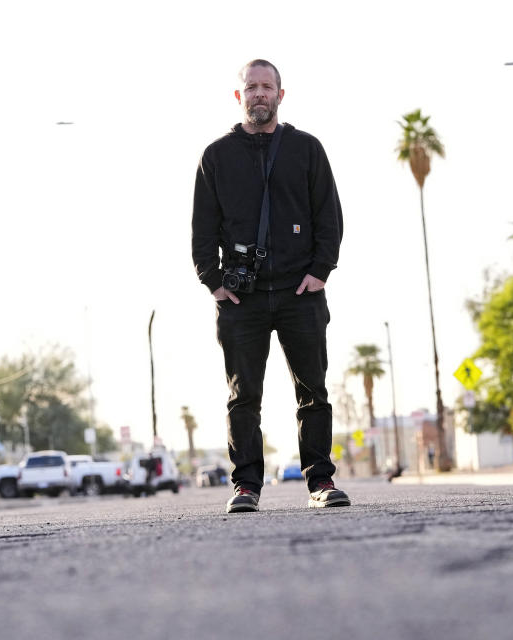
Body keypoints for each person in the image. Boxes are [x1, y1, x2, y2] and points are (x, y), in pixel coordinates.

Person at [192, 59, 349, 513]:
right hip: (242, 298)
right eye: (251, 87)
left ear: (281, 94)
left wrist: (321, 270)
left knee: (313, 392)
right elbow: (203, 228)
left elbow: (329, 217)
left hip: (302, 291)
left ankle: (320, 481)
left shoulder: (307, 149)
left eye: (267, 87)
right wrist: (214, 282)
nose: (259, 94)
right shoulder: (216, 156)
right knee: (244, 396)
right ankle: (246, 488)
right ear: (238, 97)